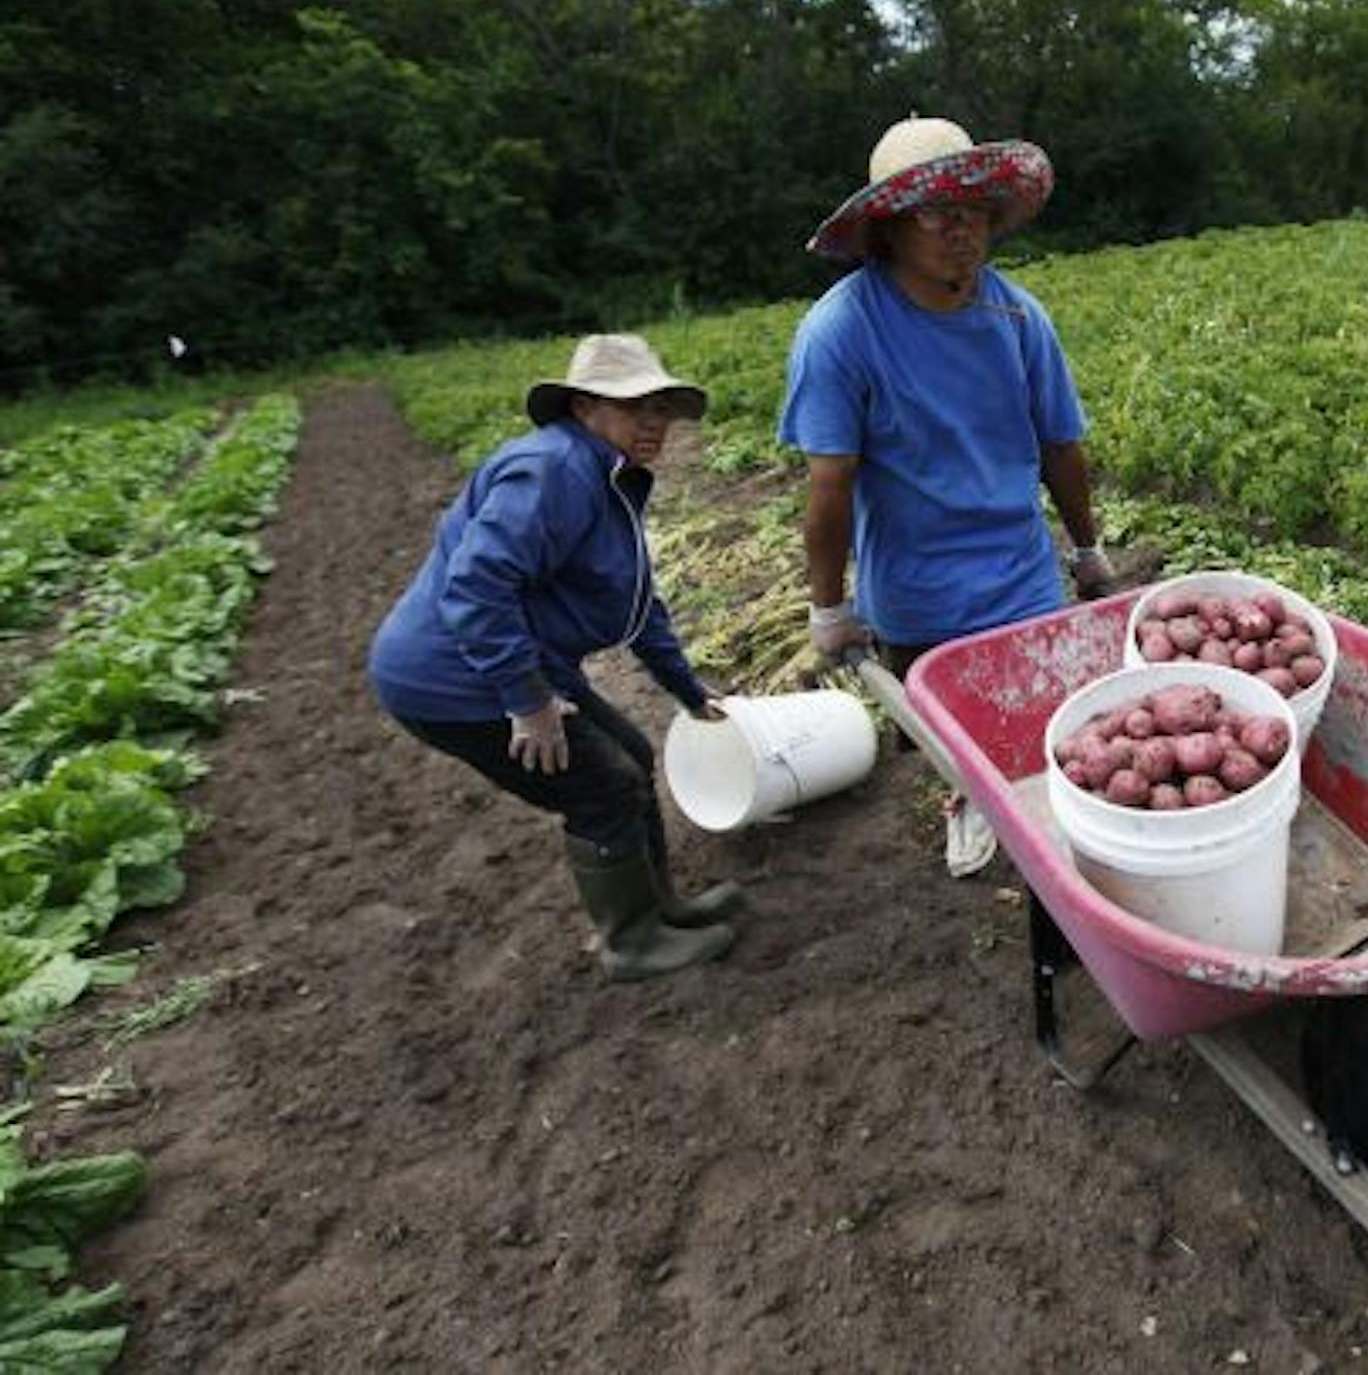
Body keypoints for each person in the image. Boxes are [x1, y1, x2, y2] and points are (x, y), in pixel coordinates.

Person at [779, 116, 1113, 872]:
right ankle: (966, 798)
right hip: (918, 591)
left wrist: (1087, 550)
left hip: (1022, 572)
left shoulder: (1019, 318)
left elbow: (1062, 445)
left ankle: (1055, 827)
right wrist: (829, 608)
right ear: (888, 227)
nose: (960, 228)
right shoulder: (841, 332)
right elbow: (830, 487)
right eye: (936, 211)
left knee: (1049, 730)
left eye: (974, 209)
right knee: (954, 738)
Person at [369, 333, 744, 983]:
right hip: (451, 675)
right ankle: (630, 941)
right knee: (602, 782)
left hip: (508, 661)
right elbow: (475, 587)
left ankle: (659, 905)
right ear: (583, 407)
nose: (654, 422)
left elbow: (633, 600)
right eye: (636, 406)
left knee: (630, 750)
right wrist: (528, 701)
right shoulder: (554, 472)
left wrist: (687, 690)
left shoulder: (609, 477)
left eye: (662, 407)